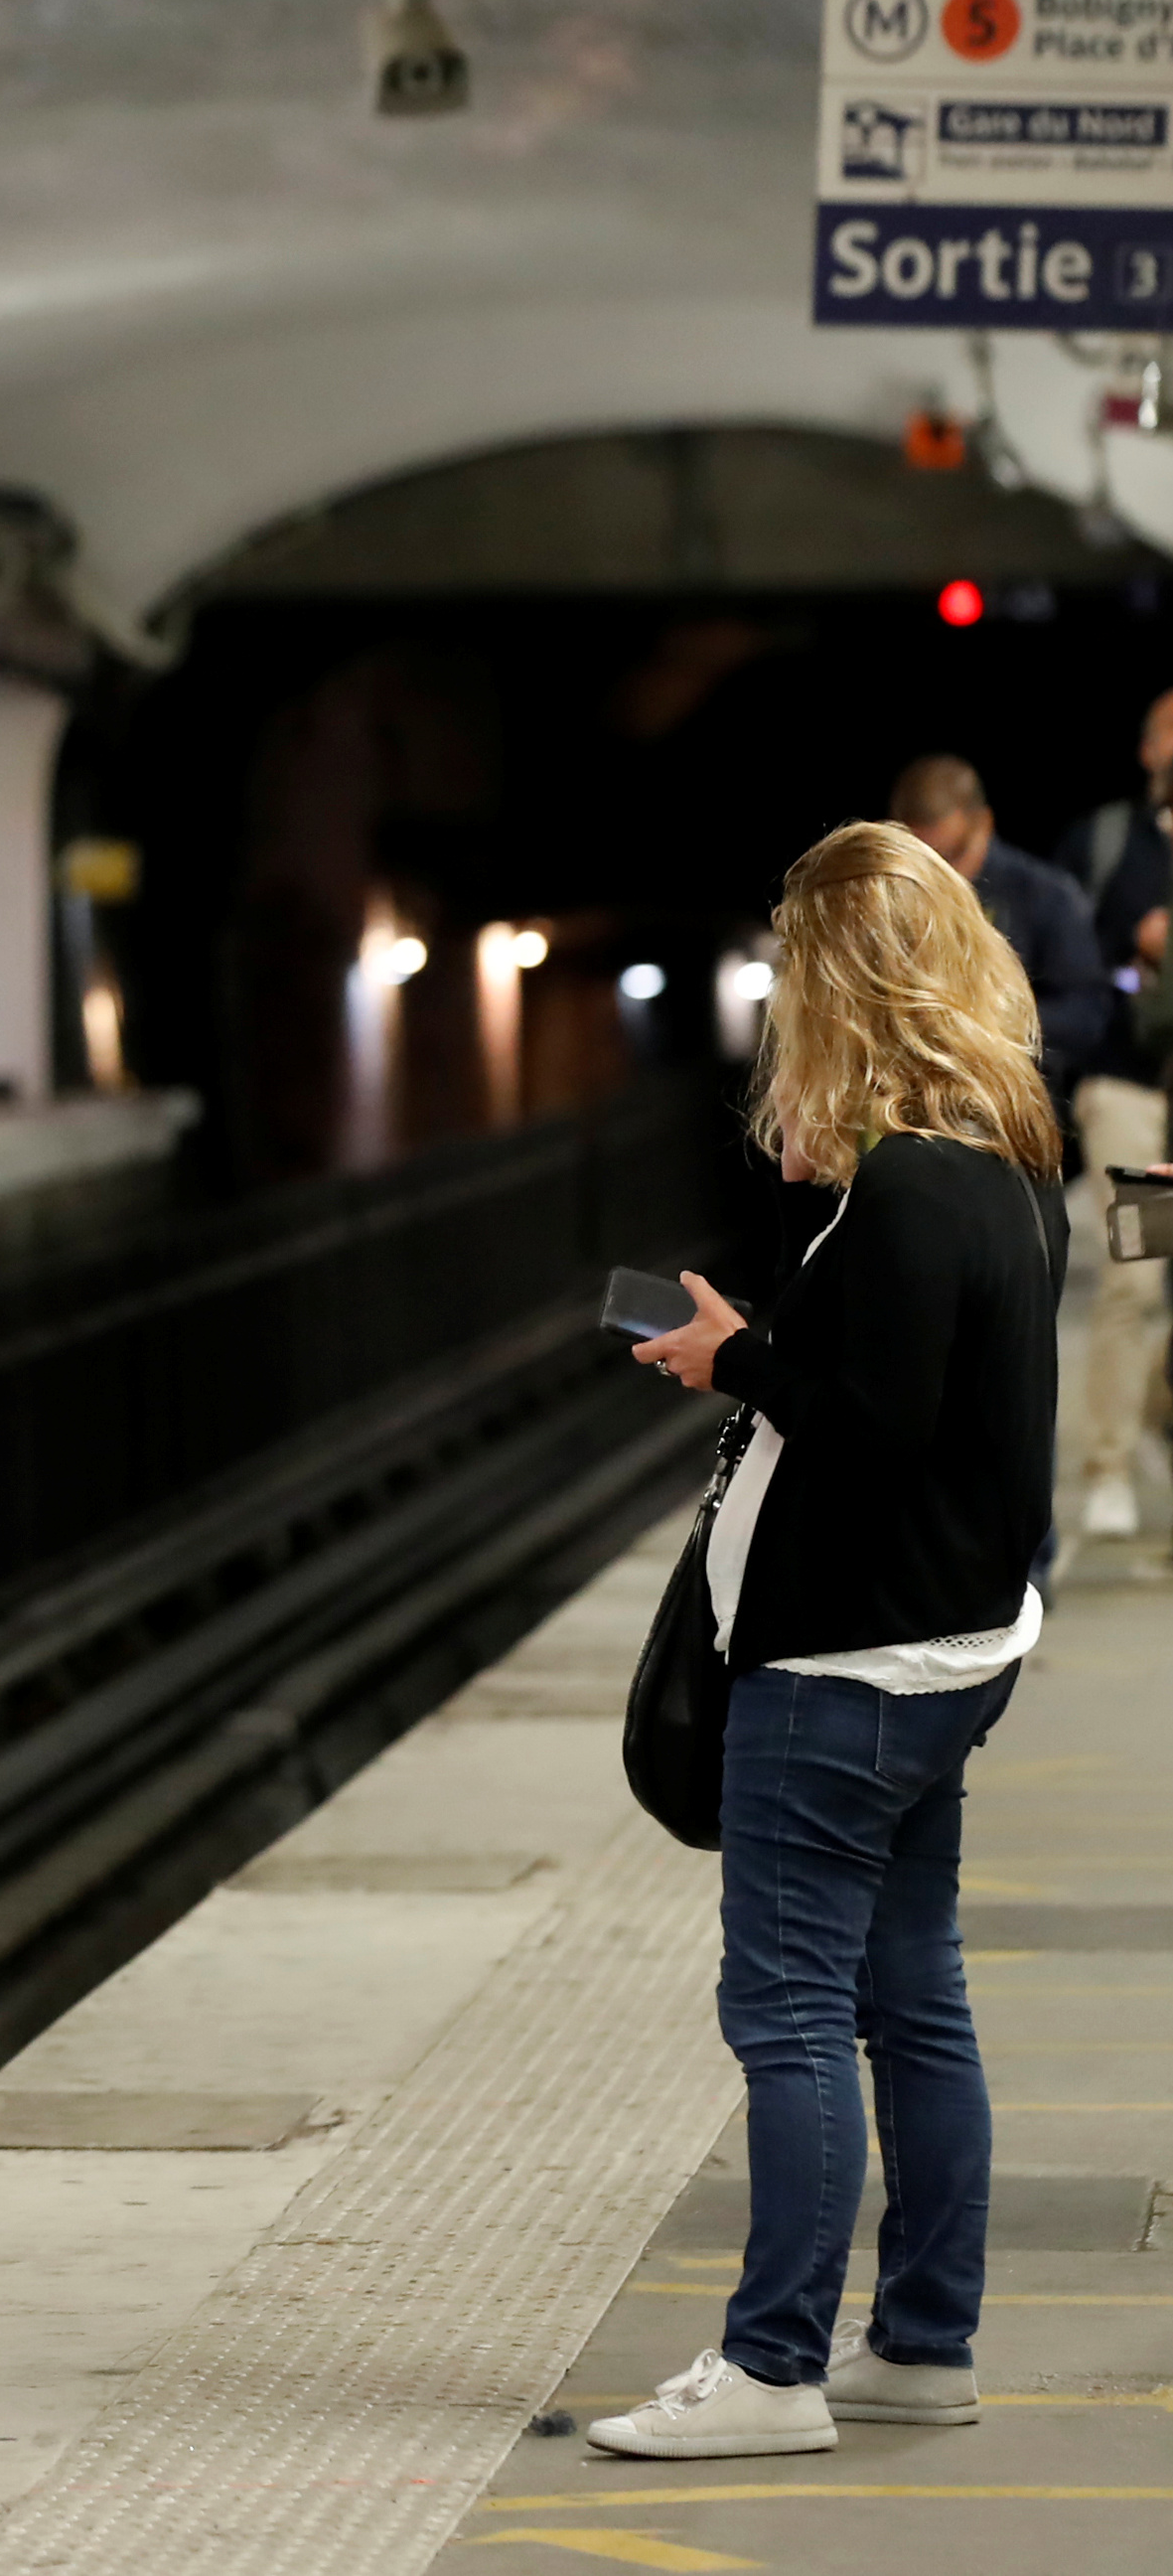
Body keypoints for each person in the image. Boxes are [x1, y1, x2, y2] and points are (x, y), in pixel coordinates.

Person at [601, 819, 1068, 2461]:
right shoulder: (997, 1165)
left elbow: (864, 1431)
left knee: (789, 2013)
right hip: (942, 1654)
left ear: (835, 991)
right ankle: (921, 2344)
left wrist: (732, 1355)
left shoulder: (912, 1194)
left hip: (843, 1671)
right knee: (911, 2002)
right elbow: (924, 1400)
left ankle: (771, 2366)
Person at [1043, 697, 1173, 1539]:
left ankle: (1152, 1412)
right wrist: (1141, 961)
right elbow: (1076, 973)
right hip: (1130, 1094)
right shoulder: (1107, 847)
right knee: (1136, 1272)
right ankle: (1107, 1468)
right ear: (1147, 745)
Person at [890, 756, 1108, 1146]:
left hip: (1016, 1110)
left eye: (953, 856)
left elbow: (1087, 1016)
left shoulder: (1046, 896)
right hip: (911, 1108)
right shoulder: (895, 901)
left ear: (984, 823)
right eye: (925, 861)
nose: (945, 876)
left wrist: (985, 1019)